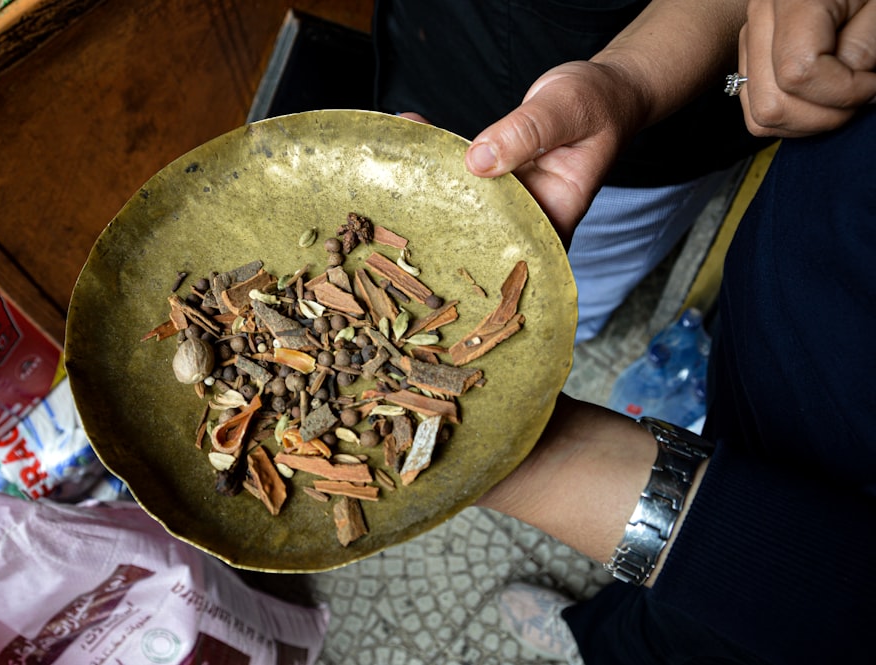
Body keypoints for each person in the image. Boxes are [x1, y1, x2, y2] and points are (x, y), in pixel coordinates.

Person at [453, 0, 876, 662]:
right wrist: (627, 81)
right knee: (652, 594)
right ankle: (609, 621)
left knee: (688, 640)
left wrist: (553, 462)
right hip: (776, 344)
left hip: (804, 611)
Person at [372, 0, 772, 342]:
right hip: (436, 46)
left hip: (624, 129)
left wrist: (628, 82)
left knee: (577, 284)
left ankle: (580, 329)